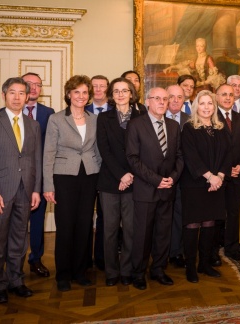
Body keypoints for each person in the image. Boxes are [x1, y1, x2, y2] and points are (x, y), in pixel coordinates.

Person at [0, 77, 42, 303]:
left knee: (19, 239)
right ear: (4, 95)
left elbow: (36, 158)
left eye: (21, 93)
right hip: (1, 191)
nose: (17, 97)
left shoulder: (33, 125)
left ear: (27, 97)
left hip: (26, 190)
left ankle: (16, 280)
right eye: (12, 93)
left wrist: (36, 189)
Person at [43, 75, 102, 292]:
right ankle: (63, 275)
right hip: (64, 177)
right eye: (76, 92)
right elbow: (48, 153)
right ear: (69, 94)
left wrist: (102, 179)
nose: (81, 96)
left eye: (85, 92)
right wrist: (48, 185)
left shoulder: (95, 119)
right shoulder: (57, 119)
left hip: (89, 176)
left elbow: (98, 150)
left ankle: (80, 272)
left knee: (85, 225)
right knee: (66, 226)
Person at [126, 87, 182, 290]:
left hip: (168, 189)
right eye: (157, 98)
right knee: (142, 234)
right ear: (147, 101)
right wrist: (156, 179)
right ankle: (138, 272)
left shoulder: (174, 126)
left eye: (165, 99)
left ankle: (158, 269)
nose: (161, 102)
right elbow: (133, 158)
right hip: (146, 189)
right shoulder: (136, 125)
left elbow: (179, 157)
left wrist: (172, 178)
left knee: (163, 233)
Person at [96, 77, 146, 287]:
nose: (120, 94)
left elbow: (144, 149)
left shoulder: (142, 116)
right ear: (111, 95)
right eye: (116, 91)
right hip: (110, 181)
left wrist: (131, 175)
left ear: (131, 93)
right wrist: (121, 175)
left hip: (135, 182)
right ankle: (111, 272)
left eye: (124, 91)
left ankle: (127, 270)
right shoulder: (104, 118)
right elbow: (104, 150)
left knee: (131, 230)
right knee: (109, 230)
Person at [180, 90, 231, 282]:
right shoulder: (189, 128)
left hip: (217, 184)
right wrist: (210, 177)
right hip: (194, 184)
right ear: (196, 106)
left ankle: (205, 263)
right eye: (202, 103)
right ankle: (190, 266)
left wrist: (220, 176)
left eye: (210, 103)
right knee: (193, 225)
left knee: (210, 223)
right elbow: (191, 157)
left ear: (214, 106)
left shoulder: (221, 127)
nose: (207, 107)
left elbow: (228, 154)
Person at [20, 72, 56, 278]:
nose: (33, 88)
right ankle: (14, 260)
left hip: (39, 177)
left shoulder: (49, 113)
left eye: (37, 85)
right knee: (15, 222)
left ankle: (36, 259)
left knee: (37, 220)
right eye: (28, 84)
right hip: (14, 178)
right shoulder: (4, 112)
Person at [216, 84, 240, 259]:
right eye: (224, 94)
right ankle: (213, 250)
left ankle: (232, 248)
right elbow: (211, 151)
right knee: (216, 214)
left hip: (238, 175)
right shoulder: (211, 117)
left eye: (231, 95)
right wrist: (225, 169)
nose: (228, 98)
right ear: (217, 97)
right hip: (218, 176)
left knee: (234, 213)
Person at [84, 75, 111, 271]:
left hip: (109, 172)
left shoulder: (116, 110)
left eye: (102, 86)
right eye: (95, 86)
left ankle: (102, 258)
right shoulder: (81, 109)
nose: (99, 89)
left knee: (105, 216)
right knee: (85, 215)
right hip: (86, 172)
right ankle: (84, 259)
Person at [165, 85, 191, 269]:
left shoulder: (190, 120)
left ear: (184, 100)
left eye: (179, 97)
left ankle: (176, 252)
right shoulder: (155, 117)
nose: (175, 100)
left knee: (180, 216)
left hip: (183, 177)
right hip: (158, 177)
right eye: (171, 96)